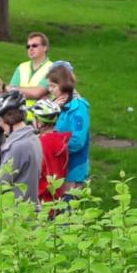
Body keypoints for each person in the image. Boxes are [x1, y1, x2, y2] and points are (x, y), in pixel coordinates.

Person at [0, 89, 42, 208]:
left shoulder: (17, 146)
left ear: (9, 120)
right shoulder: (33, 138)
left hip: (16, 214)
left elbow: (1, 183)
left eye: (0, 120)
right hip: (31, 206)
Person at [46, 61, 90, 191]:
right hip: (58, 167)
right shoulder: (58, 105)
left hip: (72, 169)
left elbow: (77, 142)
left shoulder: (78, 108)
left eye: (53, 86)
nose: (50, 90)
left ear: (63, 85)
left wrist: (53, 148)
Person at [28, 97, 70, 207]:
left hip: (41, 199)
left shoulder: (40, 144)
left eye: (34, 118)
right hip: (57, 197)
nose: (32, 121)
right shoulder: (61, 140)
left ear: (41, 122)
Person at [9, 30, 53, 101]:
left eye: (34, 45)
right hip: (19, 111)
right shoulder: (21, 67)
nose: (30, 48)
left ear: (45, 48)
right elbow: (10, 93)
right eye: (28, 46)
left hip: (41, 112)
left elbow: (37, 93)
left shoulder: (53, 68)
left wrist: (16, 89)